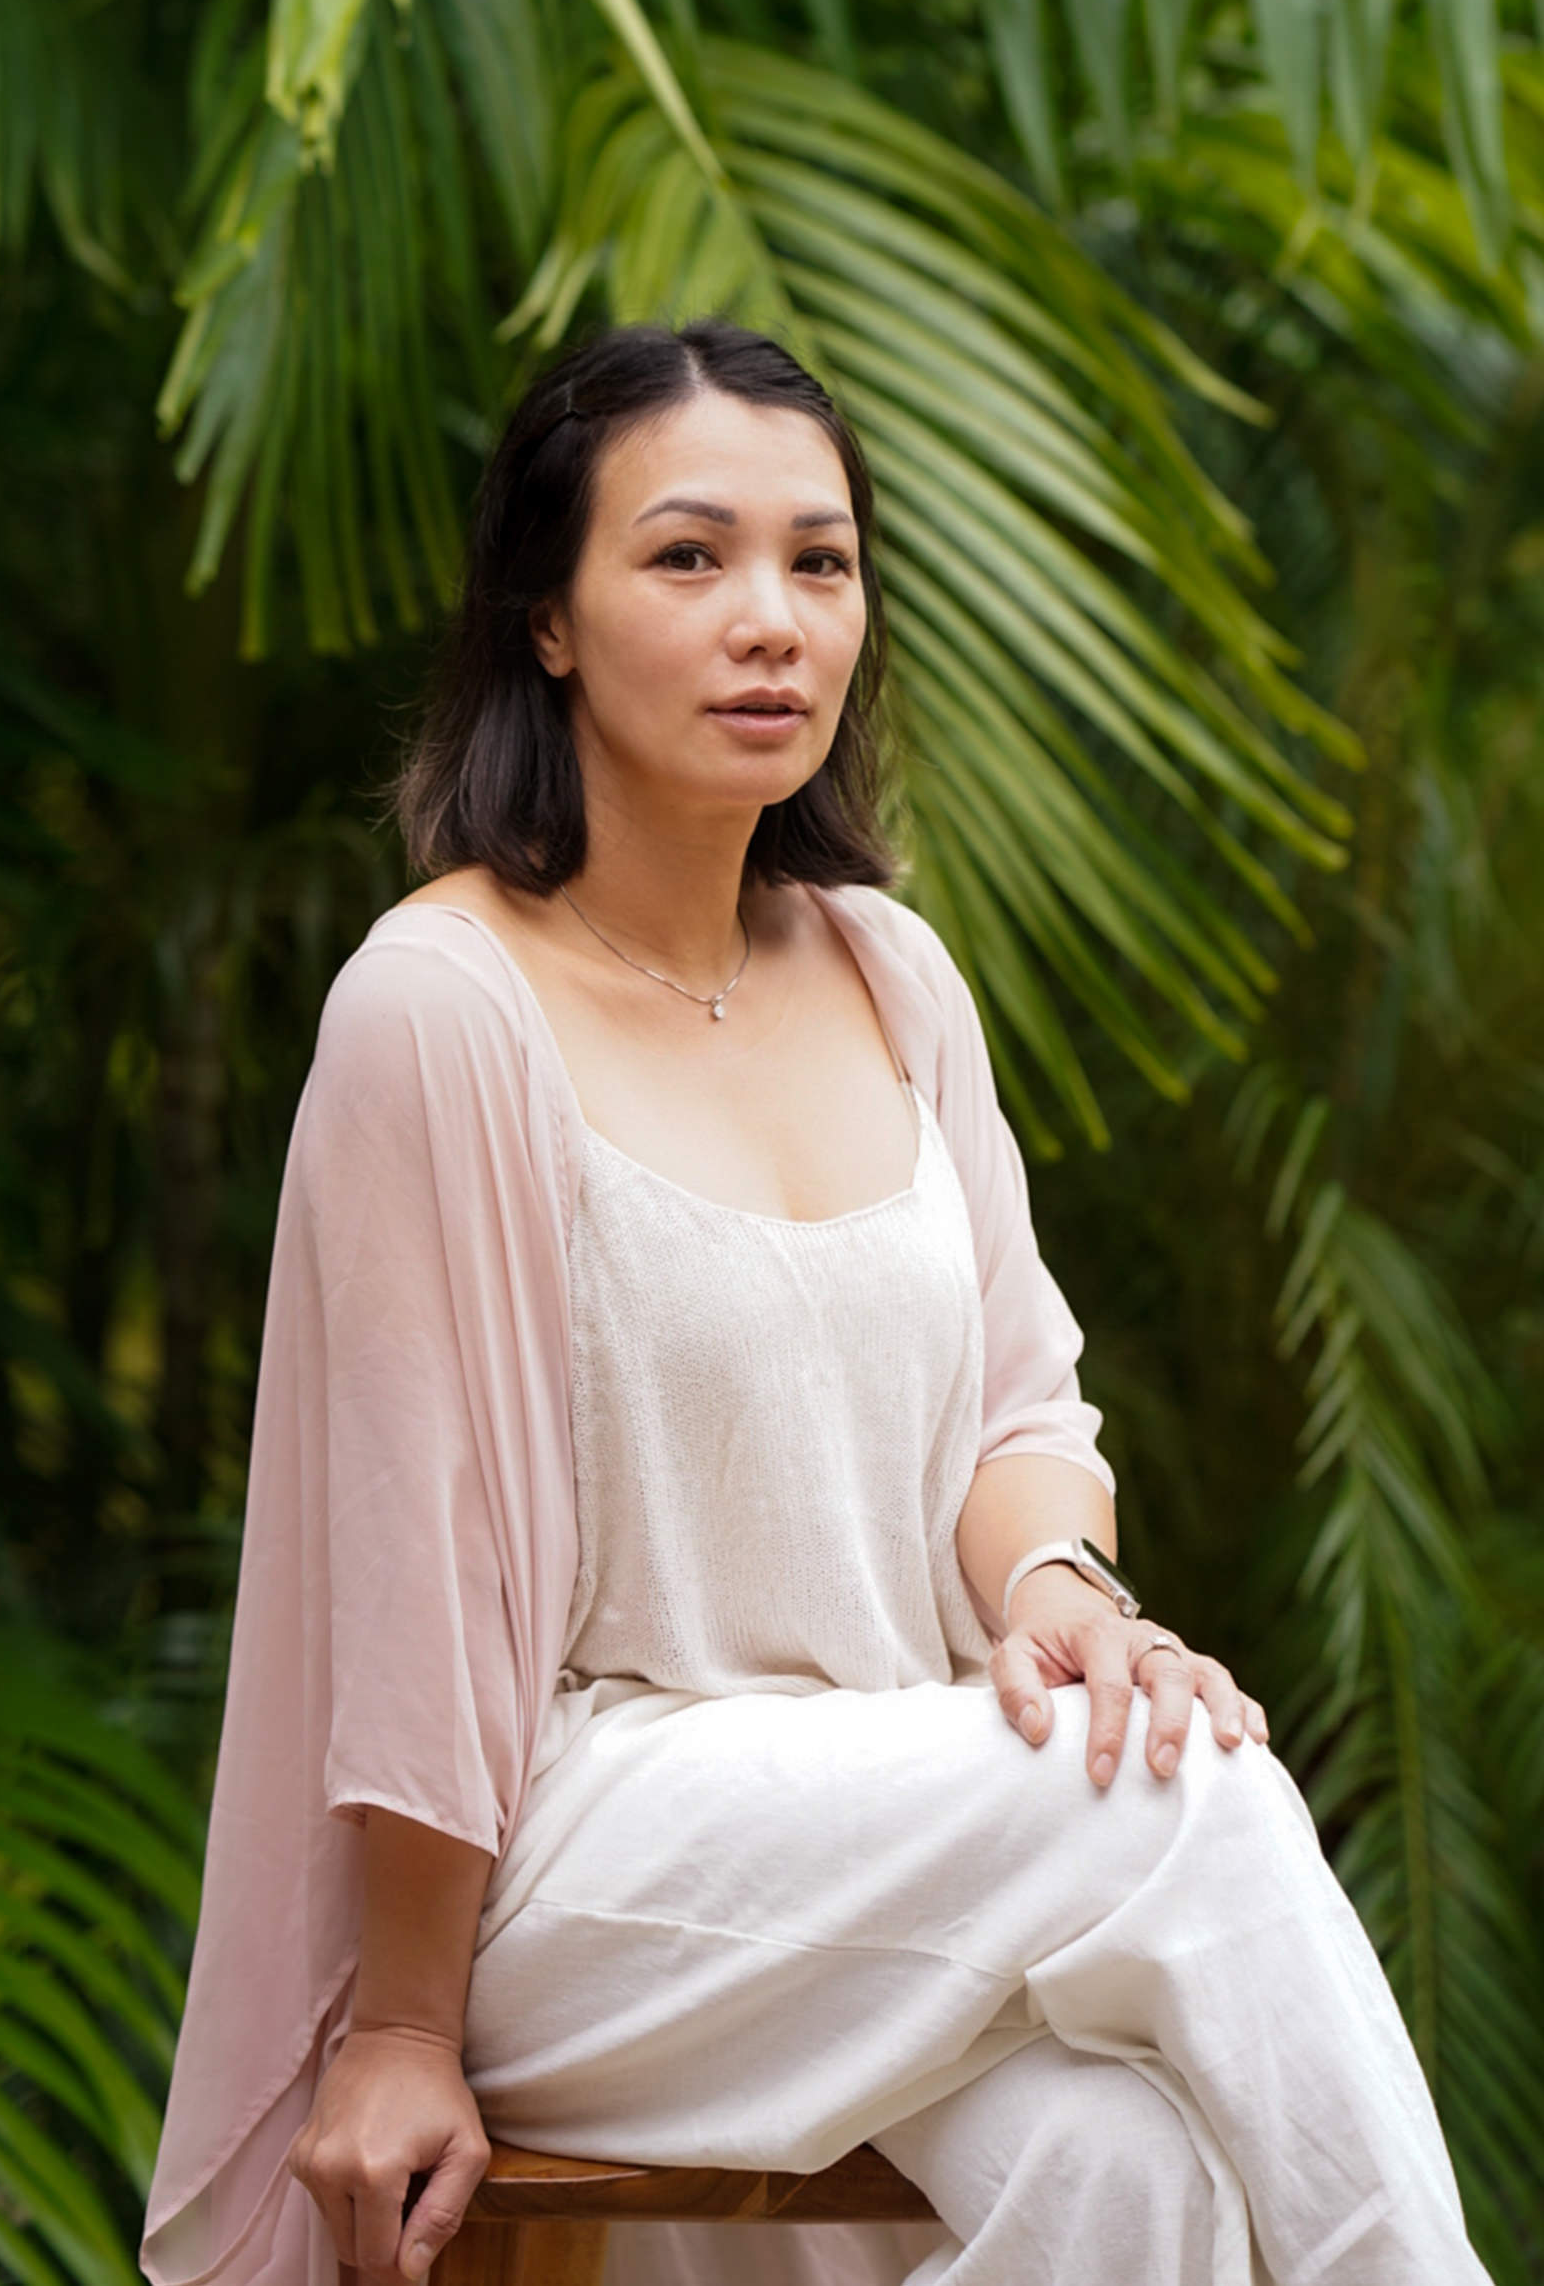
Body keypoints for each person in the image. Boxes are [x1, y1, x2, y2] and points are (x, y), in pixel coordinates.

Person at [138, 318, 1492, 2286]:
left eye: (820, 561)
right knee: (1183, 1800)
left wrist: (1064, 1597)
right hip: (563, 1869)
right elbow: (416, 1576)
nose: (769, 617)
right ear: (545, 618)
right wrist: (406, 2028)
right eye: (688, 556)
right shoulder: (438, 1011)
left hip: (879, 1831)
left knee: (1122, 2167)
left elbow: (1021, 1405)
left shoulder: (889, 975)